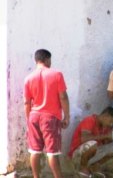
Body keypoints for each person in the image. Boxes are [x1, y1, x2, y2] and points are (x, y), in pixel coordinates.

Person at [23, 49, 70, 178]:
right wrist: (67, 116)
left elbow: (27, 103)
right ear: (47, 59)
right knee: (52, 153)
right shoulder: (57, 74)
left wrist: (28, 120)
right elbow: (63, 97)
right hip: (50, 118)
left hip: (34, 116)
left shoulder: (28, 78)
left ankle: (35, 176)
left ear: (36, 60)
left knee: (35, 150)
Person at [68, 106, 113, 177]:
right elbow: (84, 139)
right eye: (111, 121)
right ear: (106, 116)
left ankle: (94, 166)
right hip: (77, 155)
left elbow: (104, 143)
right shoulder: (90, 120)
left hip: (92, 155)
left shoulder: (105, 127)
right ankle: (82, 168)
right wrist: (106, 136)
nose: (111, 124)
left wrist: (111, 138)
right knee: (93, 144)